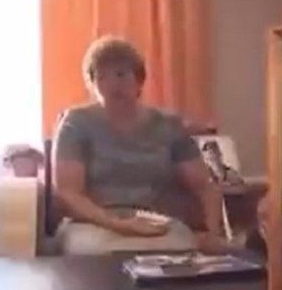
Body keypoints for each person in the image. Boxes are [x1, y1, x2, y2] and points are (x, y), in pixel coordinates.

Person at [52, 36, 227, 254]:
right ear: (93, 84)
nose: (112, 84)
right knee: (106, 254)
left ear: (139, 80)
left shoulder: (168, 125)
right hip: (93, 224)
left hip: (155, 222)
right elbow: (68, 194)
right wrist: (118, 224)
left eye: (121, 74)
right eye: (102, 77)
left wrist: (213, 234)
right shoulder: (76, 123)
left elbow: (205, 187)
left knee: (179, 251)